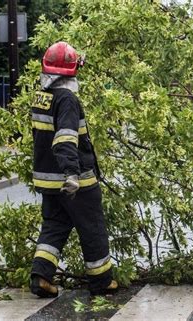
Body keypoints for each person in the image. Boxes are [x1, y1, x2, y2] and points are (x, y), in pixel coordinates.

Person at [30, 41, 118, 297]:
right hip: (73, 180)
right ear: (72, 70)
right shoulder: (67, 99)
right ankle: (102, 282)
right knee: (92, 227)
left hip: (48, 180)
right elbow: (66, 138)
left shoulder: (42, 97)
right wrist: (72, 174)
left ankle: (41, 277)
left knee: (55, 226)